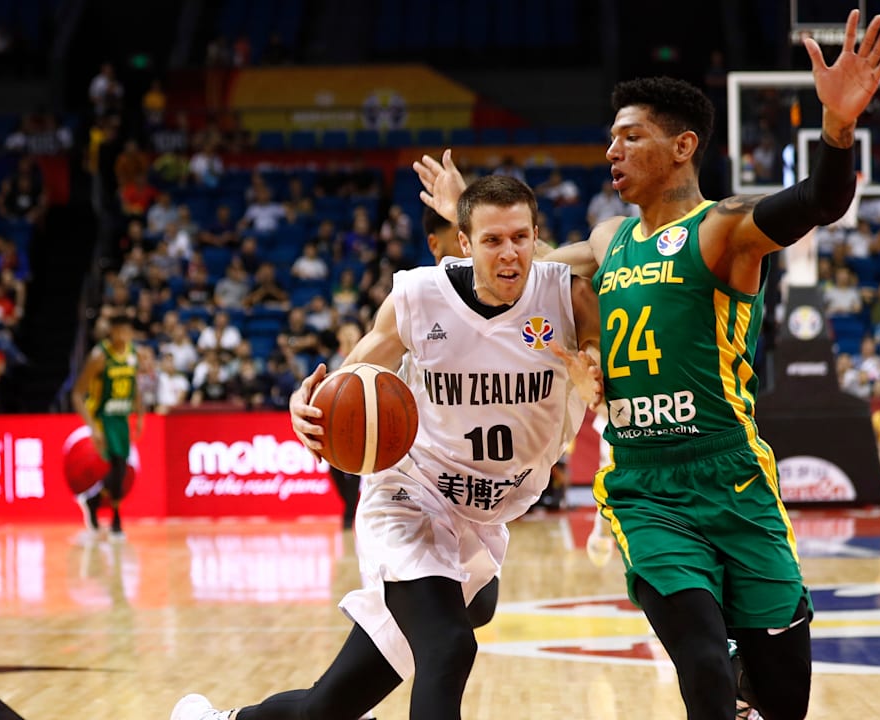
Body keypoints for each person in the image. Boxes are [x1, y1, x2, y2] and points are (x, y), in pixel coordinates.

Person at [414, 10, 880, 720]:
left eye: (629, 136)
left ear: (681, 147)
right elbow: (527, 266)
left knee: (784, 694)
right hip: (646, 484)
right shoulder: (609, 241)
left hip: (733, 473)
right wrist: (471, 225)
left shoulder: (724, 230)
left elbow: (819, 200)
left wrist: (838, 126)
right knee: (700, 662)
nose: (612, 149)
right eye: (611, 137)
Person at [171, 175, 599, 720]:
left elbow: (598, 309)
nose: (509, 252)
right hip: (411, 497)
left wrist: (592, 360)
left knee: (331, 706)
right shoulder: (420, 297)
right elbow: (355, 373)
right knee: (448, 646)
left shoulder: (566, 295)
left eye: (520, 237)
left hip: (483, 520)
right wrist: (311, 404)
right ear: (464, 245)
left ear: (536, 236)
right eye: (492, 240)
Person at [70, 315, 143, 542]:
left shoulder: (133, 354)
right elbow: (77, 394)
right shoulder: (100, 356)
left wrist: (140, 416)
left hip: (121, 418)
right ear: (112, 332)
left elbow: (135, 387)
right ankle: (116, 518)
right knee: (119, 466)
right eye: (120, 330)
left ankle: (93, 500)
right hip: (103, 418)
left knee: (119, 469)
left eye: (128, 331)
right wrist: (93, 427)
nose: (125, 335)